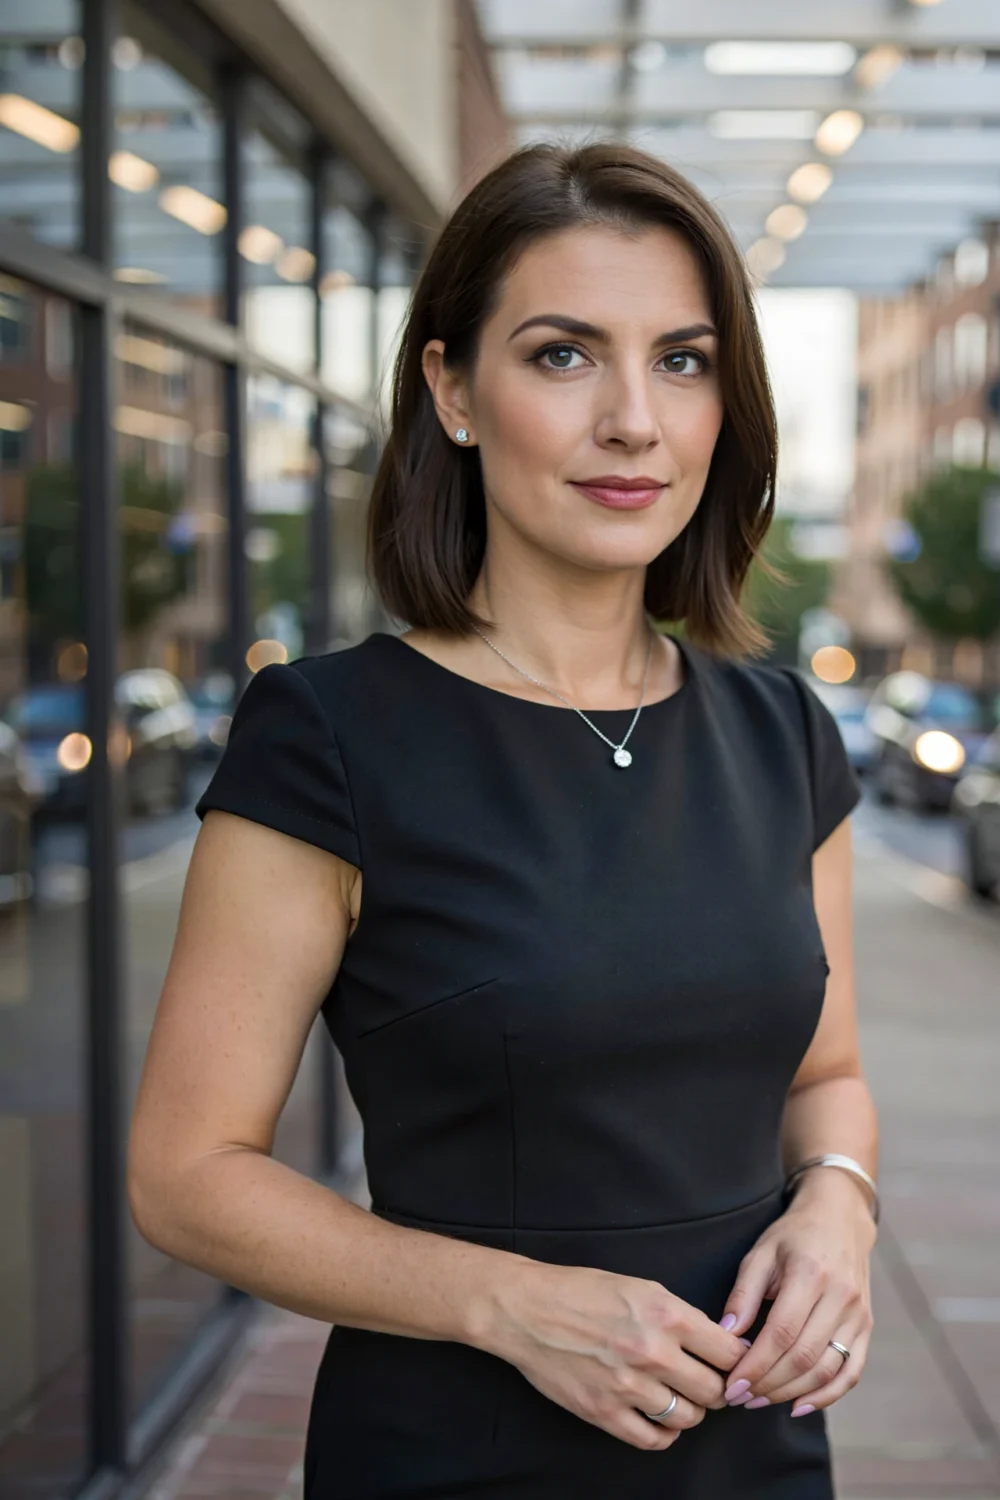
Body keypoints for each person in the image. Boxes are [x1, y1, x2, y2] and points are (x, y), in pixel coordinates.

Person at [128, 143, 878, 1499]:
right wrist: (504, 1302)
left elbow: (823, 1077)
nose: (636, 421)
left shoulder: (785, 735)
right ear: (453, 391)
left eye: (684, 361)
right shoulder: (332, 736)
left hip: (759, 1449)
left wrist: (839, 1205)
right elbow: (187, 1173)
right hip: (460, 1456)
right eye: (563, 355)